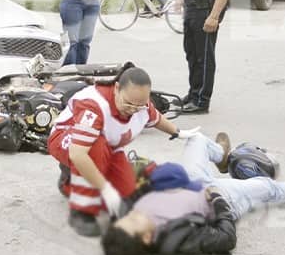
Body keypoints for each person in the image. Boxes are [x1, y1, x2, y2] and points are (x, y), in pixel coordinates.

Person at [103, 131, 285, 255]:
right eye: (133, 221)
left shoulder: (130, 214)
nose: (133, 214)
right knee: (264, 186)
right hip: (218, 196)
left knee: (196, 139)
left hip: (191, 180)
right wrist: (219, 203)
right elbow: (225, 239)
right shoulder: (176, 239)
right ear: (146, 238)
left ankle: (222, 156)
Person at [47, 66, 194, 237]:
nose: (132, 109)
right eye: (129, 103)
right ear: (116, 88)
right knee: (95, 149)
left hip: (109, 145)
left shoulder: (140, 103)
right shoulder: (94, 105)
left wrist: (177, 132)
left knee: (126, 193)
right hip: (68, 140)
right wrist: (104, 188)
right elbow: (78, 154)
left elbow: (155, 118)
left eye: (139, 105)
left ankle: (72, 180)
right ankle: (82, 212)